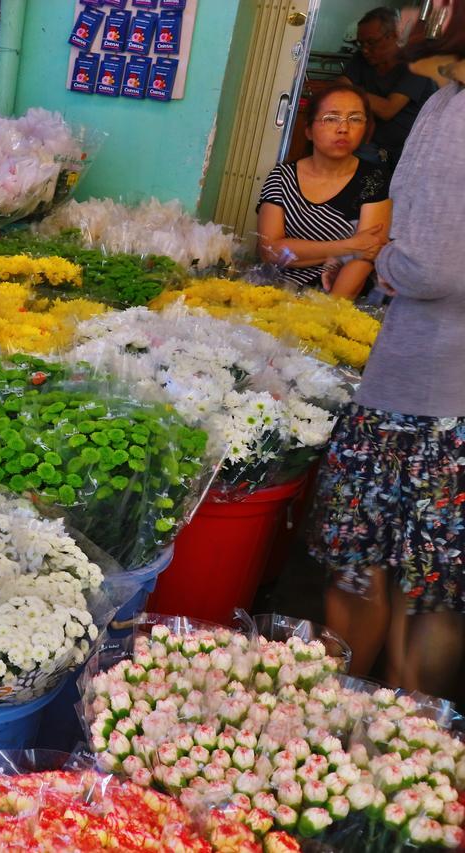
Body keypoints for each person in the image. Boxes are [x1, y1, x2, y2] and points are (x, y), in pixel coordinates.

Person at [310, 0, 465, 698]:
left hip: (424, 390)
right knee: (429, 584)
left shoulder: (454, 113)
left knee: (365, 565)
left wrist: (383, 261)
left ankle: (352, 735)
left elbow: (431, 265)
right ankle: (410, 750)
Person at [256, 85, 392, 298]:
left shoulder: (373, 179)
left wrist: (327, 313)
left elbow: (366, 256)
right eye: (331, 118)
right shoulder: (282, 177)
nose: (343, 128)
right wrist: (348, 246)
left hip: (338, 300)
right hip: (274, 293)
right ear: (309, 129)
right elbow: (270, 250)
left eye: (355, 119)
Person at [337, 7, 438, 166]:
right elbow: (339, 87)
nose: (365, 49)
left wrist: (356, 95)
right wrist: (368, 111)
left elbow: (387, 110)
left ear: (392, 36)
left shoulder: (415, 65)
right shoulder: (361, 58)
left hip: (407, 152)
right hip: (371, 143)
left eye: (371, 42)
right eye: (360, 43)